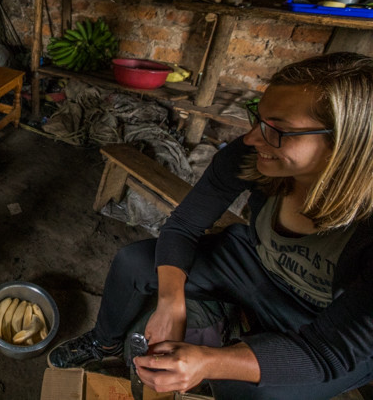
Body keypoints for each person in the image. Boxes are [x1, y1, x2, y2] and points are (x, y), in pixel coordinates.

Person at [48, 52, 373, 399]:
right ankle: (105, 343)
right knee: (134, 263)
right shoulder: (255, 155)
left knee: (241, 387)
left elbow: (330, 353)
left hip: (321, 320)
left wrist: (211, 362)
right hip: (253, 265)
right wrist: (171, 301)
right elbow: (185, 223)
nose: (251, 138)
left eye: (278, 129)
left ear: (345, 145)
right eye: (257, 117)